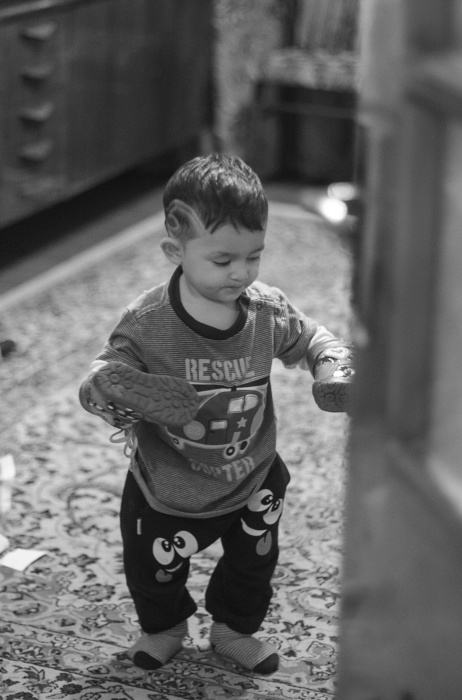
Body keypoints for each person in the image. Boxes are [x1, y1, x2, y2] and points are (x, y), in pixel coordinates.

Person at [79, 153, 353, 674]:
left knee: (254, 563)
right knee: (152, 566)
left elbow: (312, 336)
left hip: (252, 474)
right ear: (175, 251)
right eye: (223, 260)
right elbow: (112, 367)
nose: (241, 273)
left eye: (254, 256)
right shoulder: (148, 320)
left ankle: (233, 631)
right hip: (170, 479)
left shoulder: (266, 310)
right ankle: (164, 628)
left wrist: (330, 362)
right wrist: (104, 390)